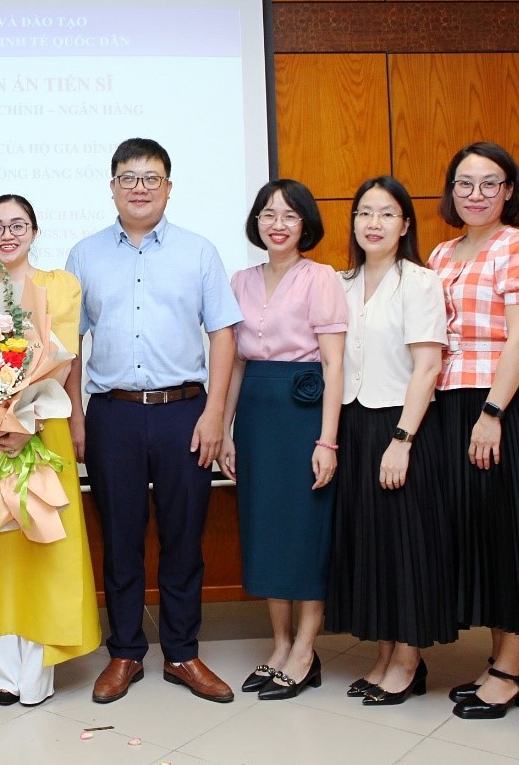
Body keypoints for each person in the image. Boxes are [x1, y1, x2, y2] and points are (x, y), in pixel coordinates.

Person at [65, 138, 243, 705]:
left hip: (185, 412)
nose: (139, 187)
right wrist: (75, 416)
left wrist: (215, 414)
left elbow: (223, 334)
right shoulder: (85, 255)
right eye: (128, 177)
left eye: (151, 178)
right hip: (112, 413)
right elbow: (69, 343)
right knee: (119, 540)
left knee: (183, 538)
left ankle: (183, 653)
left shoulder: (198, 251)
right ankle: (124, 653)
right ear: (112, 186)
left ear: (168, 187)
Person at [0, 194, 101, 706]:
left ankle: (37, 673)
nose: (7, 234)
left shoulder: (60, 285)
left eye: (17, 225)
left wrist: (26, 421)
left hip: (43, 429)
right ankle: (3, 674)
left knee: (41, 545)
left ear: (34, 230)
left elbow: (62, 360)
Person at [428, 141, 519, 720]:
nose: (476, 194)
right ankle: (500, 662)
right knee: (478, 533)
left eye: (490, 183)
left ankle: (511, 670)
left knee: (511, 532)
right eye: (465, 183)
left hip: (500, 405)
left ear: (509, 190)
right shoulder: (442, 252)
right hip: (448, 401)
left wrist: (492, 413)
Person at [323, 176, 455, 705]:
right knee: (371, 544)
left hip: (401, 427)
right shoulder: (340, 282)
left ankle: (408, 661)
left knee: (404, 546)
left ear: (405, 225)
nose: (373, 223)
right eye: (364, 213)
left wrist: (402, 440)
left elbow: (427, 367)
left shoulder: (420, 282)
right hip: (353, 423)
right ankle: (384, 655)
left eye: (385, 214)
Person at [220, 179, 346, 701]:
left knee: (304, 531)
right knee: (266, 529)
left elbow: (334, 364)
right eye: (269, 214)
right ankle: (279, 645)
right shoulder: (240, 281)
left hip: (303, 413)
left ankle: (306, 651)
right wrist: (226, 430)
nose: (278, 224)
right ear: (256, 221)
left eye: (290, 216)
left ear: (305, 224)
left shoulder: (322, 278)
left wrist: (327, 441)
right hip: (255, 414)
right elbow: (234, 364)